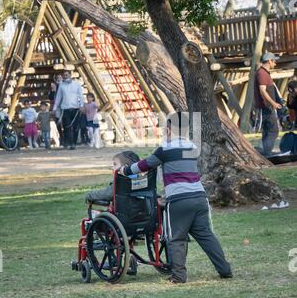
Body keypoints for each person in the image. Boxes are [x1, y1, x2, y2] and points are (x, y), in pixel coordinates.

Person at [119, 112, 232, 284]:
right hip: (200, 197)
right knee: (206, 235)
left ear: (169, 129)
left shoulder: (164, 150)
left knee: (176, 238)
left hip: (179, 200)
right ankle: (225, 270)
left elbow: (143, 166)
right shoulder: (192, 148)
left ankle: (178, 276)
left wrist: (125, 171)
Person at [254, 52, 282, 157]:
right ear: (269, 61)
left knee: (267, 130)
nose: (275, 63)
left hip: (266, 107)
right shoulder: (262, 73)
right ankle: (268, 153)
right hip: (266, 107)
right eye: (274, 61)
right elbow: (262, 91)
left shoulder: (262, 72)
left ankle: (266, 152)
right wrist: (273, 103)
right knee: (274, 130)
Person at [53, 70, 84, 150]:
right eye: (64, 75)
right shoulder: (61, 85)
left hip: (75, 108)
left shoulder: (76, 84)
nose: (65, 76)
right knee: (67, 126)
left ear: (70, 75)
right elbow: (58, 97)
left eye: (67, 75)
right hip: (65, 108)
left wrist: (81, 105)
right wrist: (55, 107)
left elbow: (80, 95)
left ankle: (74, 142)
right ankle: (70, 143)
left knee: (76, 127)